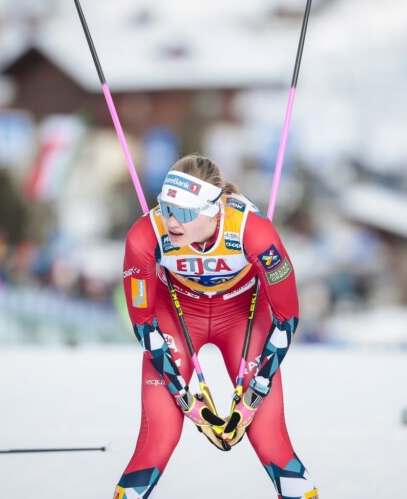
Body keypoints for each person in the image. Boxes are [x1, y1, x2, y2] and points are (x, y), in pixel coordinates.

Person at [115, 154, 318, 498]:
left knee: (269, 440)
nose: (171, 222)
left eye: (184, 213)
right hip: (177, 314)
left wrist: (253, 396)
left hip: (241, 316)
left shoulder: (253, 231)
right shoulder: (144, 236)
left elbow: (287, 317)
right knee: (158, 439)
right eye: (167, 208)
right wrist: (189, 404)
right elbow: (143, 324)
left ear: (213, 210)